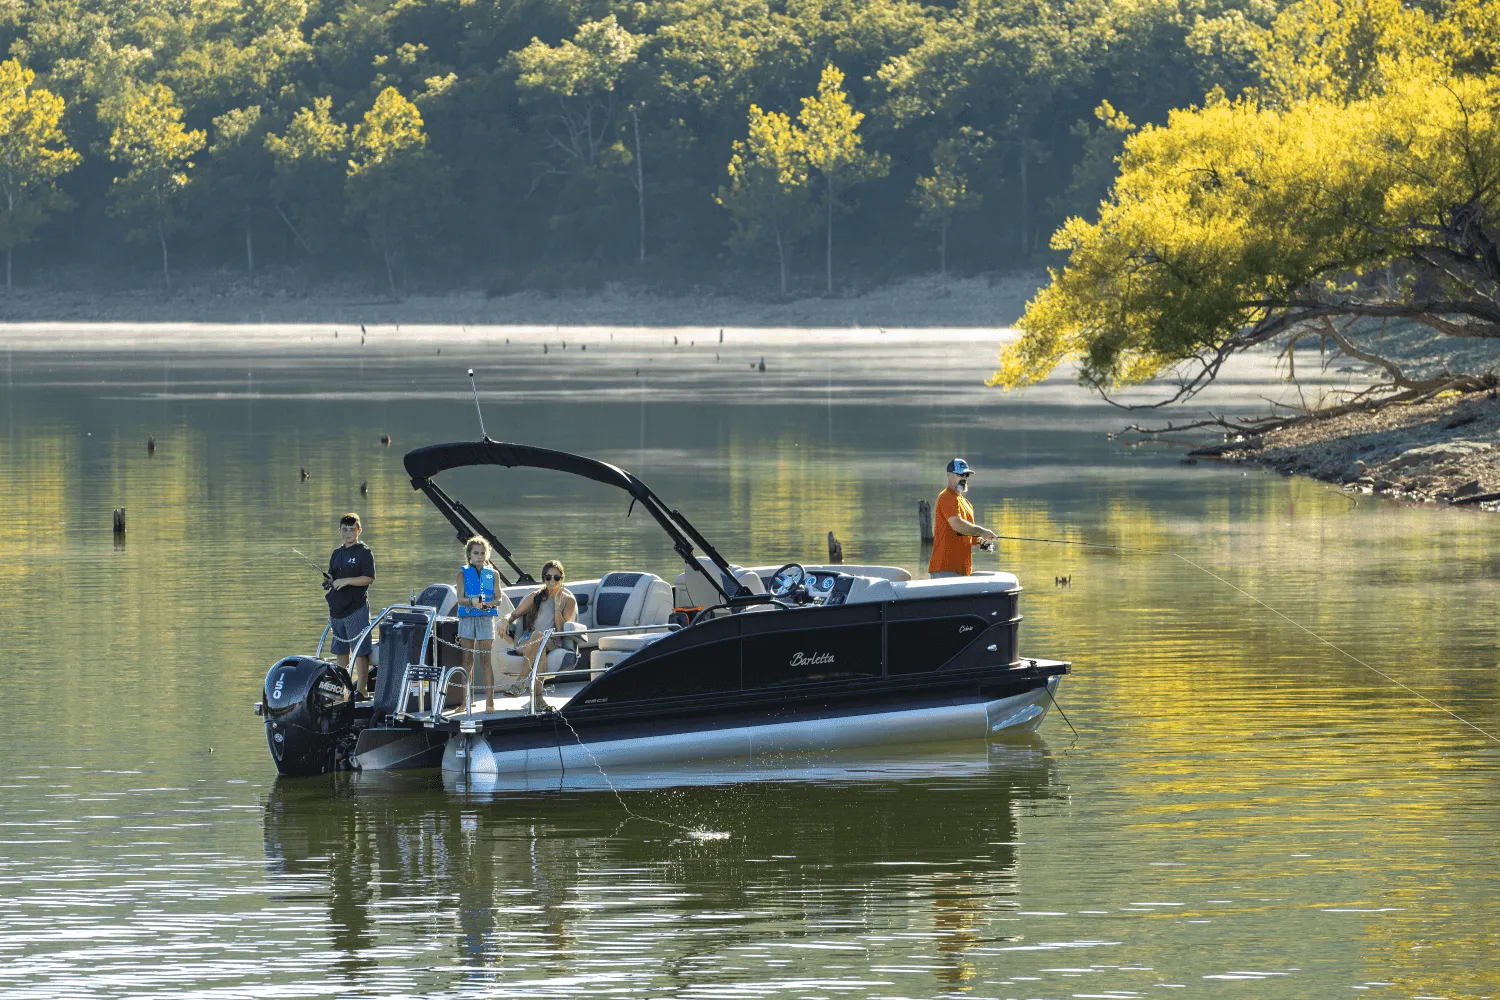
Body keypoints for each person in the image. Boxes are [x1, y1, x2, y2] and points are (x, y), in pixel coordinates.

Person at [506, 560, 577, 694]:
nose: (552, 581)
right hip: (528, 639)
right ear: (544, 578)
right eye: (548, 577)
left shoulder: (569, 600)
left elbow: (561, 630)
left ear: (561, 579)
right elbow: (514, 614)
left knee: (539, 637)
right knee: (539, 641)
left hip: (553, 641)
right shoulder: (534, 596)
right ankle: (538, 698)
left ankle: (521, 682)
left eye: (556, 577)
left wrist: (557, 605)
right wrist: (504, 620)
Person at [326, 513, 376, 696]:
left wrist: (346, 581)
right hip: (337, 610)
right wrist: (329, 580)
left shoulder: (364, 552)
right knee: (340, 651)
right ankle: (343, 689)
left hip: (356, 609)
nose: (348, 533)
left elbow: (368, 578)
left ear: (359, 531)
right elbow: (333, 577)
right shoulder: (336, 553)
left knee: (360, 651)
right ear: (339, 531)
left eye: (352, 530)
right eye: (345, 530)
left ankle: (362, 690)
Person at [928, 458, 998, 578]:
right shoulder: (946, 496)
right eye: (960, 474)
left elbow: (970, 535)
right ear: (949, 474)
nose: (964, 478)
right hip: (945, 568)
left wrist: (982, 543)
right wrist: (982, 531)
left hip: (963, 570)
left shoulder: (967, 503)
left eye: (966, 475)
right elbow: (957, 525)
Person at [455, 536, 501, 712]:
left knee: (485, 660)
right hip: (467, 618)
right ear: (469, 555)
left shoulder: (494, 574)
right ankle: (466, 701)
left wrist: (489, 603)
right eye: (476, 553)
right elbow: (460, 599)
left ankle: (490, 703)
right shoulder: (461, 575)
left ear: (486, 555)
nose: (479, 556)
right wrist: (472, 601)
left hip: (486, 619)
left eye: (482, 553)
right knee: (467, 660)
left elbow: (499, 598)